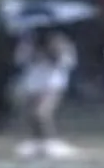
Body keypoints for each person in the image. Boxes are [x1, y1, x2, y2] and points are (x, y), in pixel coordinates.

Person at [15, 27, 78, 158]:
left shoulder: (62, 42)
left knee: (41, 113)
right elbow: (19, 60)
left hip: (52, 84)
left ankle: (51, 142)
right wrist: (32, 52)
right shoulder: (28, 42)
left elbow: (68, 63)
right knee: (31, 116)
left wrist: (54, 52)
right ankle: (38, 143)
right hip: (32, 84)